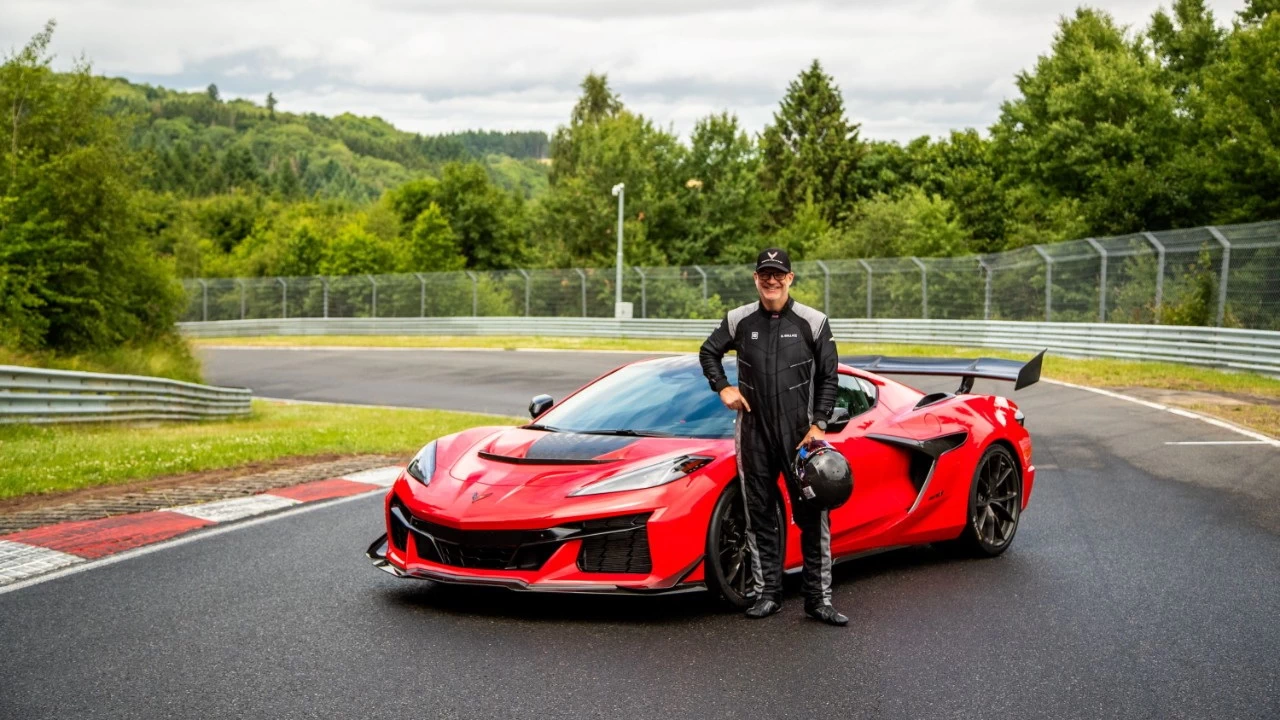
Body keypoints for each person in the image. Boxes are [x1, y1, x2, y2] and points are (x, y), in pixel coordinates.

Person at [698, 247, 848, 626]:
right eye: (765, 273)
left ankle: (819, 600)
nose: (771, 280)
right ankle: (769, 594)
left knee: (813, 518)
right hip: (754, 434)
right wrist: (722, 388)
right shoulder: (738, 319)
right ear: (755, 278)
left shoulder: (813, 321)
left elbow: (830, 377)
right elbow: (708, 351)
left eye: (778, 273)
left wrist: (819, 424)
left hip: (801, 438)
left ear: (790, 278)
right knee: (760, 516)